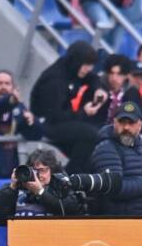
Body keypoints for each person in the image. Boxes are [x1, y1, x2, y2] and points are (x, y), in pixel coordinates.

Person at [30, 41, 101, 173]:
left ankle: (81, 175)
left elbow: (93, 78)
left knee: (93, 153)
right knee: (91, 134)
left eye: (91, 65)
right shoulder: (54, 80)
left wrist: (98, 90)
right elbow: (55, 115)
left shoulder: (71, 69)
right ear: (76, 61)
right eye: (86, 65)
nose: (89, 69)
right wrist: (83, 113)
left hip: (66, 119)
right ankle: (71, 174)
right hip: (47, 123)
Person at [90, 101, 142, 215]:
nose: (126, 127)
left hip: (139, 221)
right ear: (114, 122)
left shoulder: (137, 145)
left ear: (140, 125)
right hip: (118, 223)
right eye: (122, 122)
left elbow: (139, 184)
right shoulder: (106, 148)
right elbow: (113, 189)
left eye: (131, 123)